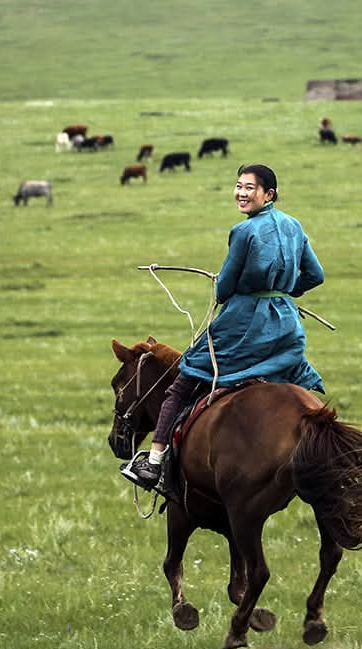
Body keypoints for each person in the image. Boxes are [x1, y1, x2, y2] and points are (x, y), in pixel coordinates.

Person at [132, 164, 325, 488]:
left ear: (269, 194)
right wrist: (284, 290)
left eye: (250, 188)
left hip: (245, 324)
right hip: (286, 325)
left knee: (186, 377)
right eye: (239, 186)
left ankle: (153, 462)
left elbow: (223, 291)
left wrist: (232, 285)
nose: (241, 193)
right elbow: (315, 275)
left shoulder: (243, 232)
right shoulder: (294, 225)